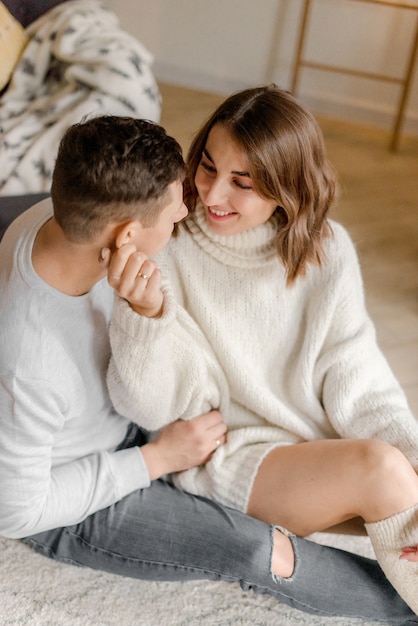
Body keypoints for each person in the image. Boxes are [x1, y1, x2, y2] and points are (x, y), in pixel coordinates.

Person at [2, 115, 416, 624]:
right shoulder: (30, 363)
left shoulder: (69, 212)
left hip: (141, 433)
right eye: (175, 211)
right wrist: (155, 459)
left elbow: (354, 368)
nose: (190, 205)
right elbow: (17, 511)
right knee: (262, 552)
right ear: (129, 233)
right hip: (78, 496)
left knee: (396, 485)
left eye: (240, 182)